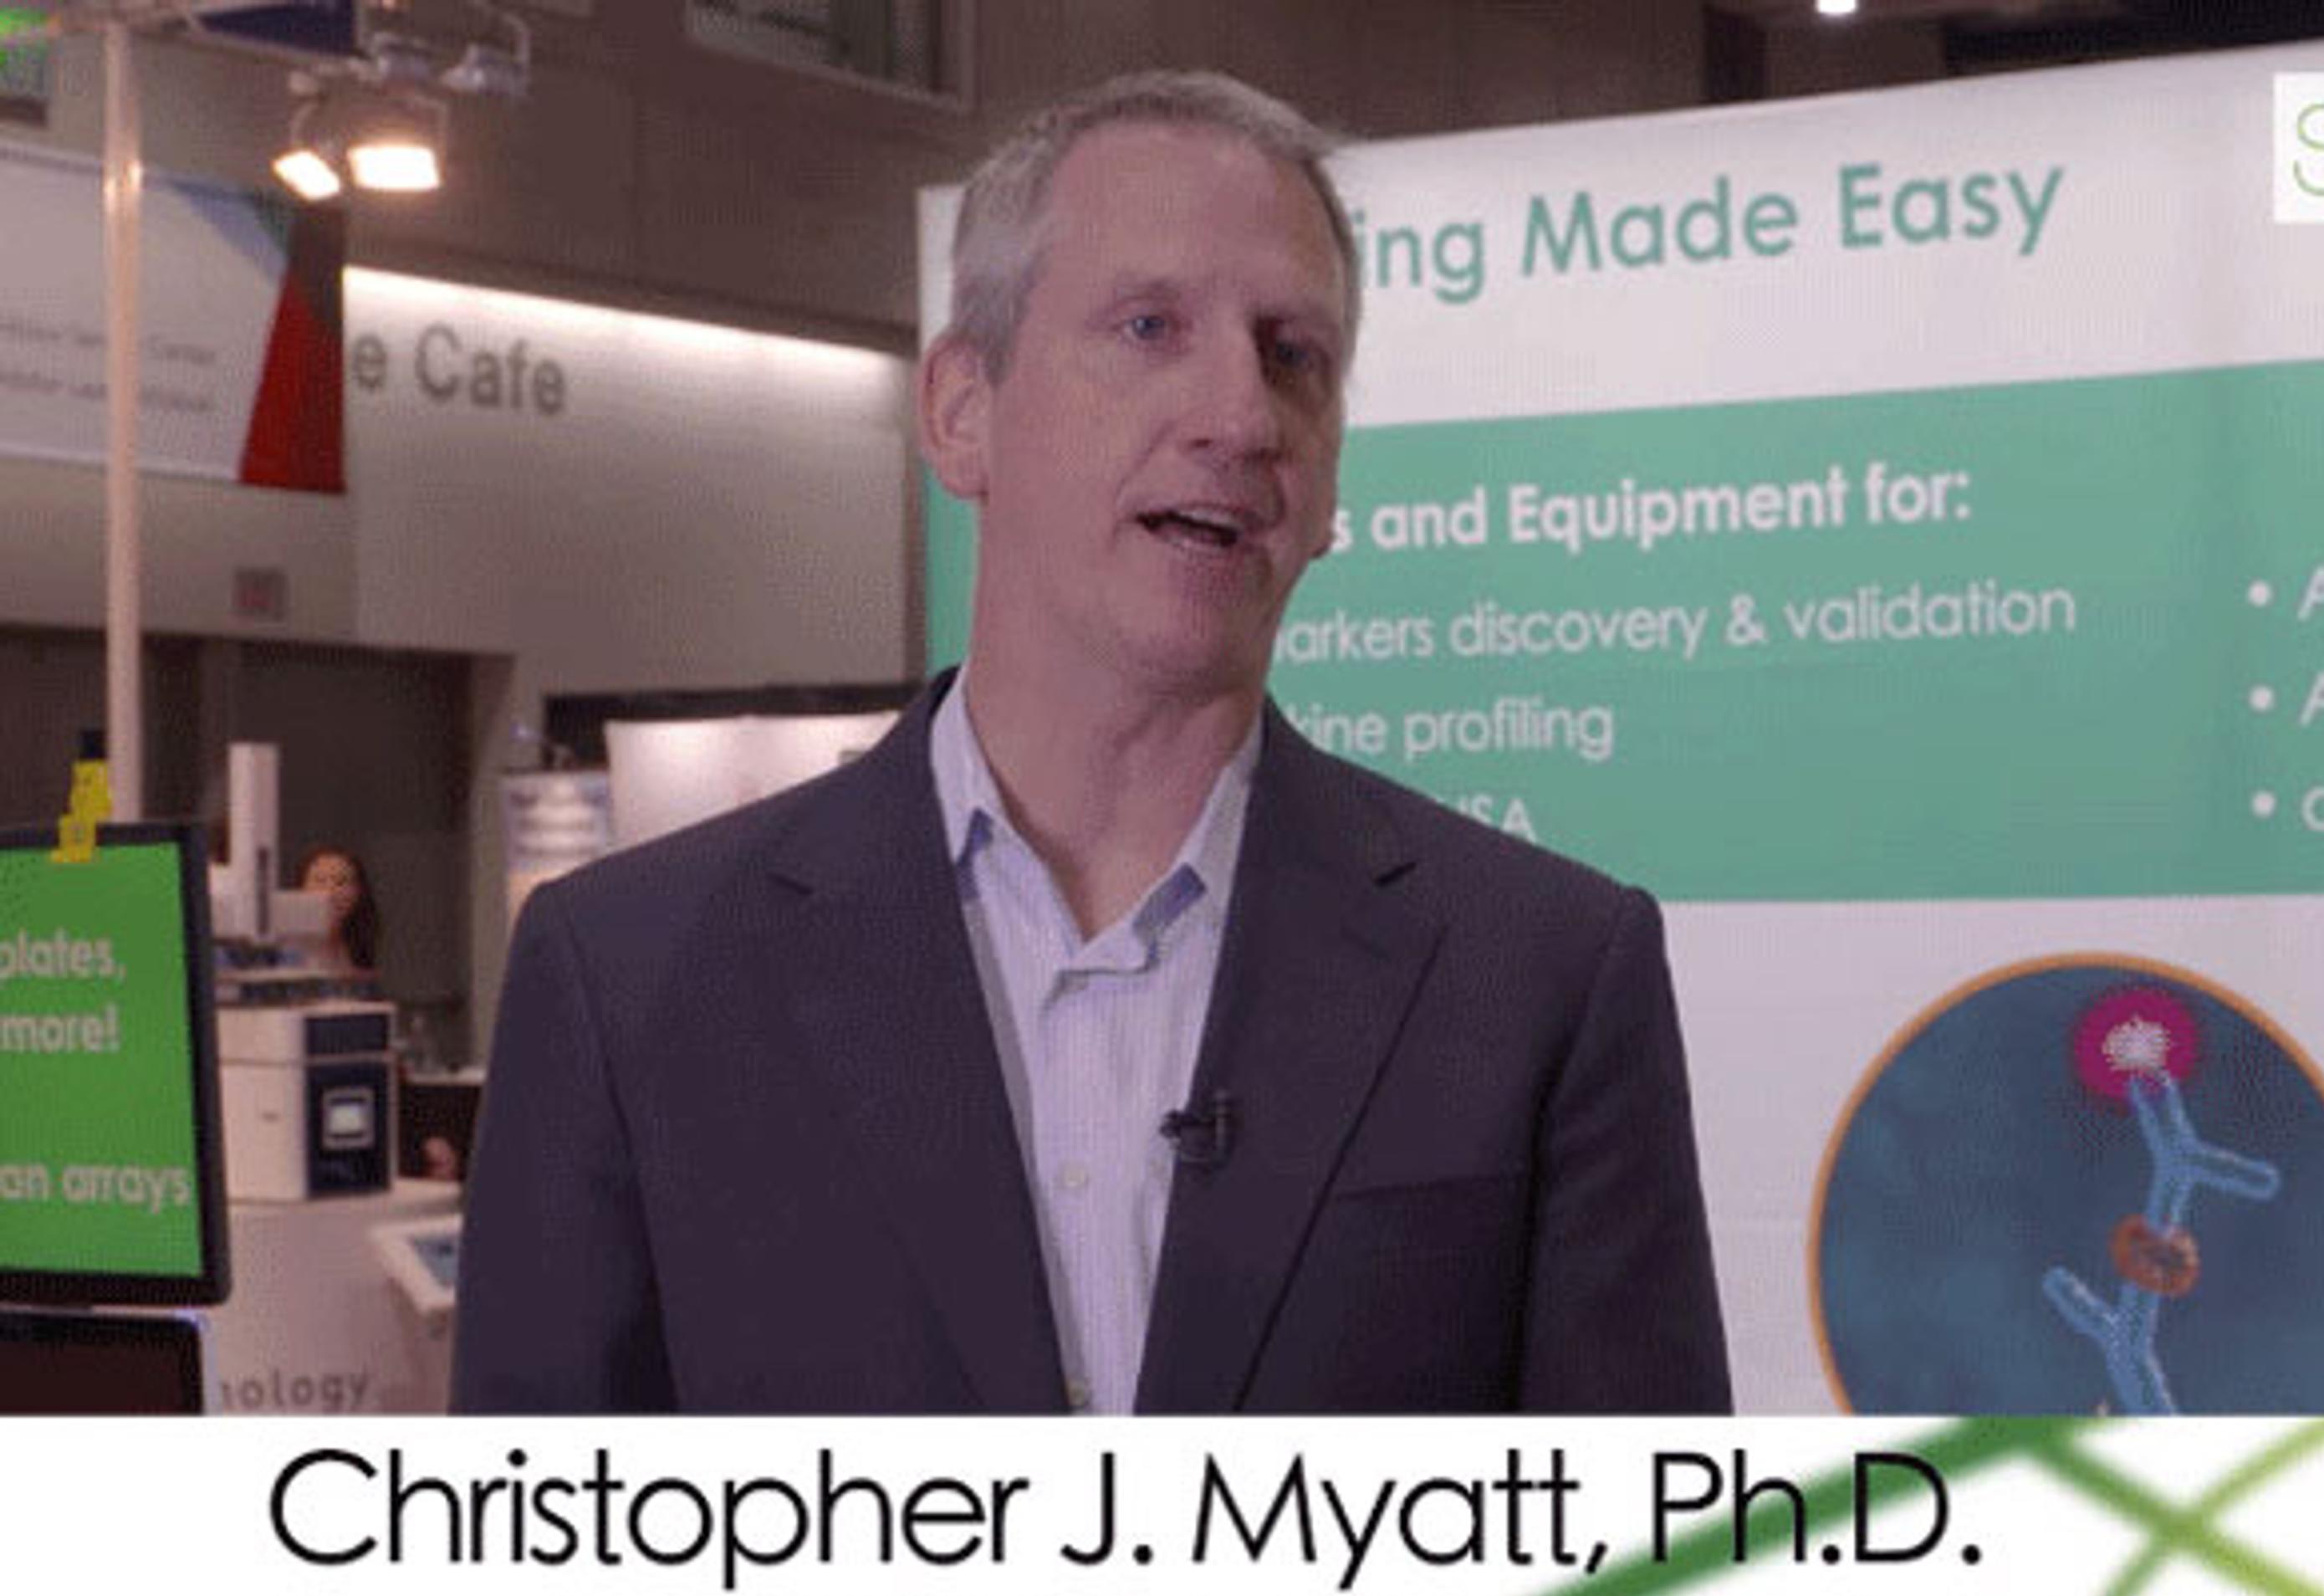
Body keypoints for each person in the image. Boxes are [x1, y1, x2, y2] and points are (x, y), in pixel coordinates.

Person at [452, 71, 1730, 1415]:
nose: (1243, 417)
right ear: (962, 410)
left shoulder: (1540, 975)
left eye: (1293, 354)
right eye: (1149, 326)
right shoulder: (630, 981)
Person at [295, 844, 379, 977]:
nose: (330, 891)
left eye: (342, 882)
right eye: (320, 881)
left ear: (358, 892)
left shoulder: (357, 945)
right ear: (301, 890)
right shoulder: (288, 946)